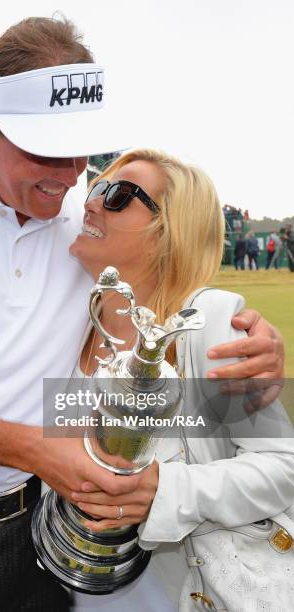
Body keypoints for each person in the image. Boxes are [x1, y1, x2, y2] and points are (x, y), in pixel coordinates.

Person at [0, 17, 285, 612]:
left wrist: (252, 338)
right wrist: (38, 451)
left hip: (52, 540)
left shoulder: (81, 215)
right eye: (46, 150)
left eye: (84, 150)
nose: (75, 178)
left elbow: (169, 281)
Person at [68, 149, 293, 611]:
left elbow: (282, 468)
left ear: (166, 233)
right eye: (96, 189)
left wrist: (164, 492)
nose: (92, 202)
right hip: (78, 590)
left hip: (190, 594)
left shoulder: (205, 324)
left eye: (119, 196)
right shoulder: (68, 320)